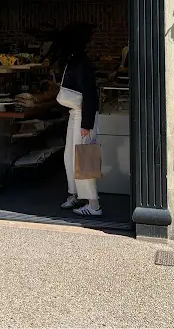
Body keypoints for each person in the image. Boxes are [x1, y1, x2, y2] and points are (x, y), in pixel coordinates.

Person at [55, 22, 102, 217]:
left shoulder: (80, 63)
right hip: (75, 113)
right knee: (70, 156)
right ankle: (74, 193)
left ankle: (94, 203)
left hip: (82, 114)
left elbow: (90, 94)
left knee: (83, 157)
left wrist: (87, 124)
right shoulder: (75, 60)